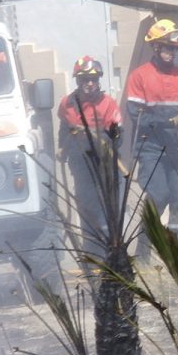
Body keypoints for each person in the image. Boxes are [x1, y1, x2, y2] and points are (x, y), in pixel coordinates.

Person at [126, 18, 178, 258]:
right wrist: (167, 121)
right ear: (156, 47)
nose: (172, 52)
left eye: (174, 48)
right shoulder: (140, 76)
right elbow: (136, 114)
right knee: (159, 194)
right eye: (167, 48)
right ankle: (143, 253)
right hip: (151, 147)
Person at [57, 56, 123, 256]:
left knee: (107, 208)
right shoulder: (67, 103)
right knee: (86, 206)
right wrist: (63, 149)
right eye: (85, 79)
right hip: (81, 165)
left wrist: (99, 136)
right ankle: (91, 255)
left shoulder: (108, 104)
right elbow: (63, 130)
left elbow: (118, 136)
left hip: (105, 164)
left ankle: (111, 253)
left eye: (93, 79)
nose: (90, 84)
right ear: (78, 80)